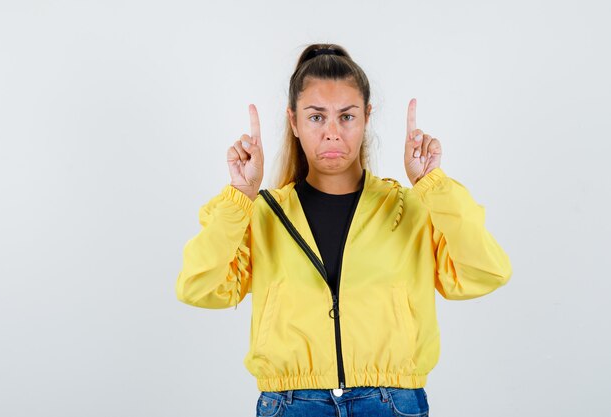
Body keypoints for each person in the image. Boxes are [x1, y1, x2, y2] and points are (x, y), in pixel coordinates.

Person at [175, 43, 512, 417]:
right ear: (294, 122)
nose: (332, 133)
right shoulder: (261, 214)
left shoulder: (412, 208)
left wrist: (432, 184)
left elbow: (486, 272)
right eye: (316, 117)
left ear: (367, 117)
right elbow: (198, 287)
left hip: (391, 403)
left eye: (347, 117)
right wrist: (240, 197)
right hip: (291, 404)